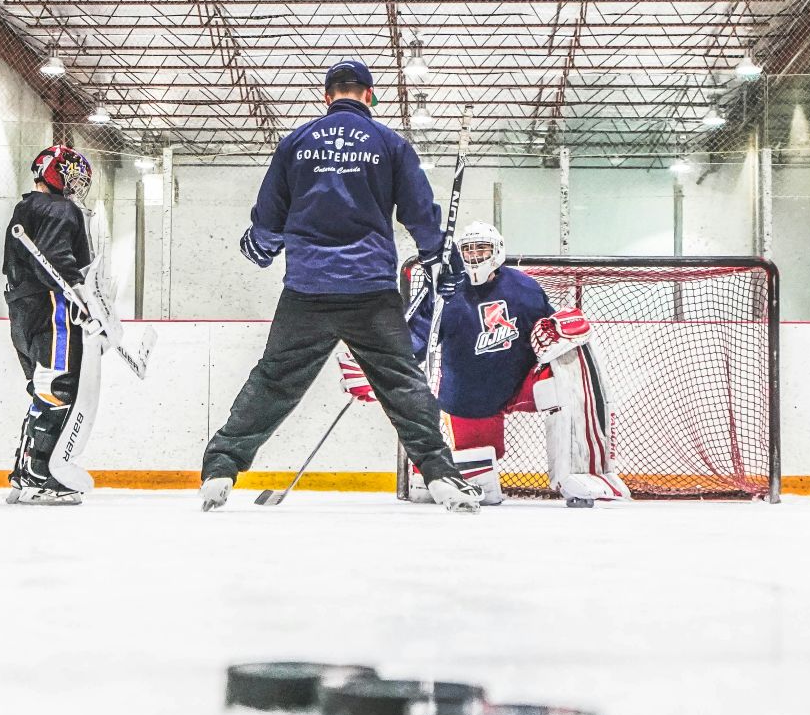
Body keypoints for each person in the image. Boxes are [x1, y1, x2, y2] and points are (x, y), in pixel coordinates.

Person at [199, 60, 481, 513]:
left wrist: (263, 243)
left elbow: (270, 214)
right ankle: (442, 475)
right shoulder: (390, 143)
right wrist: (438, 260)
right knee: (404, 384)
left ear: (327, 96)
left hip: (307, 289)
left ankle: (220, 468)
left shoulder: (297, 141)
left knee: (273, 382)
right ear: (369, 95)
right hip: (369, 289)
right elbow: (420, 214)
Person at [358, 220, 628, 507]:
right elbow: (416, 343)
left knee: (569, 370)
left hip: (522, 382)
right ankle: (436, 474)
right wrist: (377, 365)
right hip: (470, 397)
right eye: (469, 250)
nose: (475, 257)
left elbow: (549, 335)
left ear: (497, 251)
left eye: (481, 249)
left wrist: (559, 331)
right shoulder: (445, 292)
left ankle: (580, 473)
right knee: (480, 480)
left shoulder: (525, 288)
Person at [3, 144, 97, 505]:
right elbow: (56, 261)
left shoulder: (28, 207)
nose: (75, 186)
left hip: (23, 310)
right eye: (71, 177)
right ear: (54, 173)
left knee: (43, 389)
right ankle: (42, 477)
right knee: (57, 388)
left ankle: (25, 475)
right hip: (53, 307)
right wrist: (84, 298)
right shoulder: (61, 209)